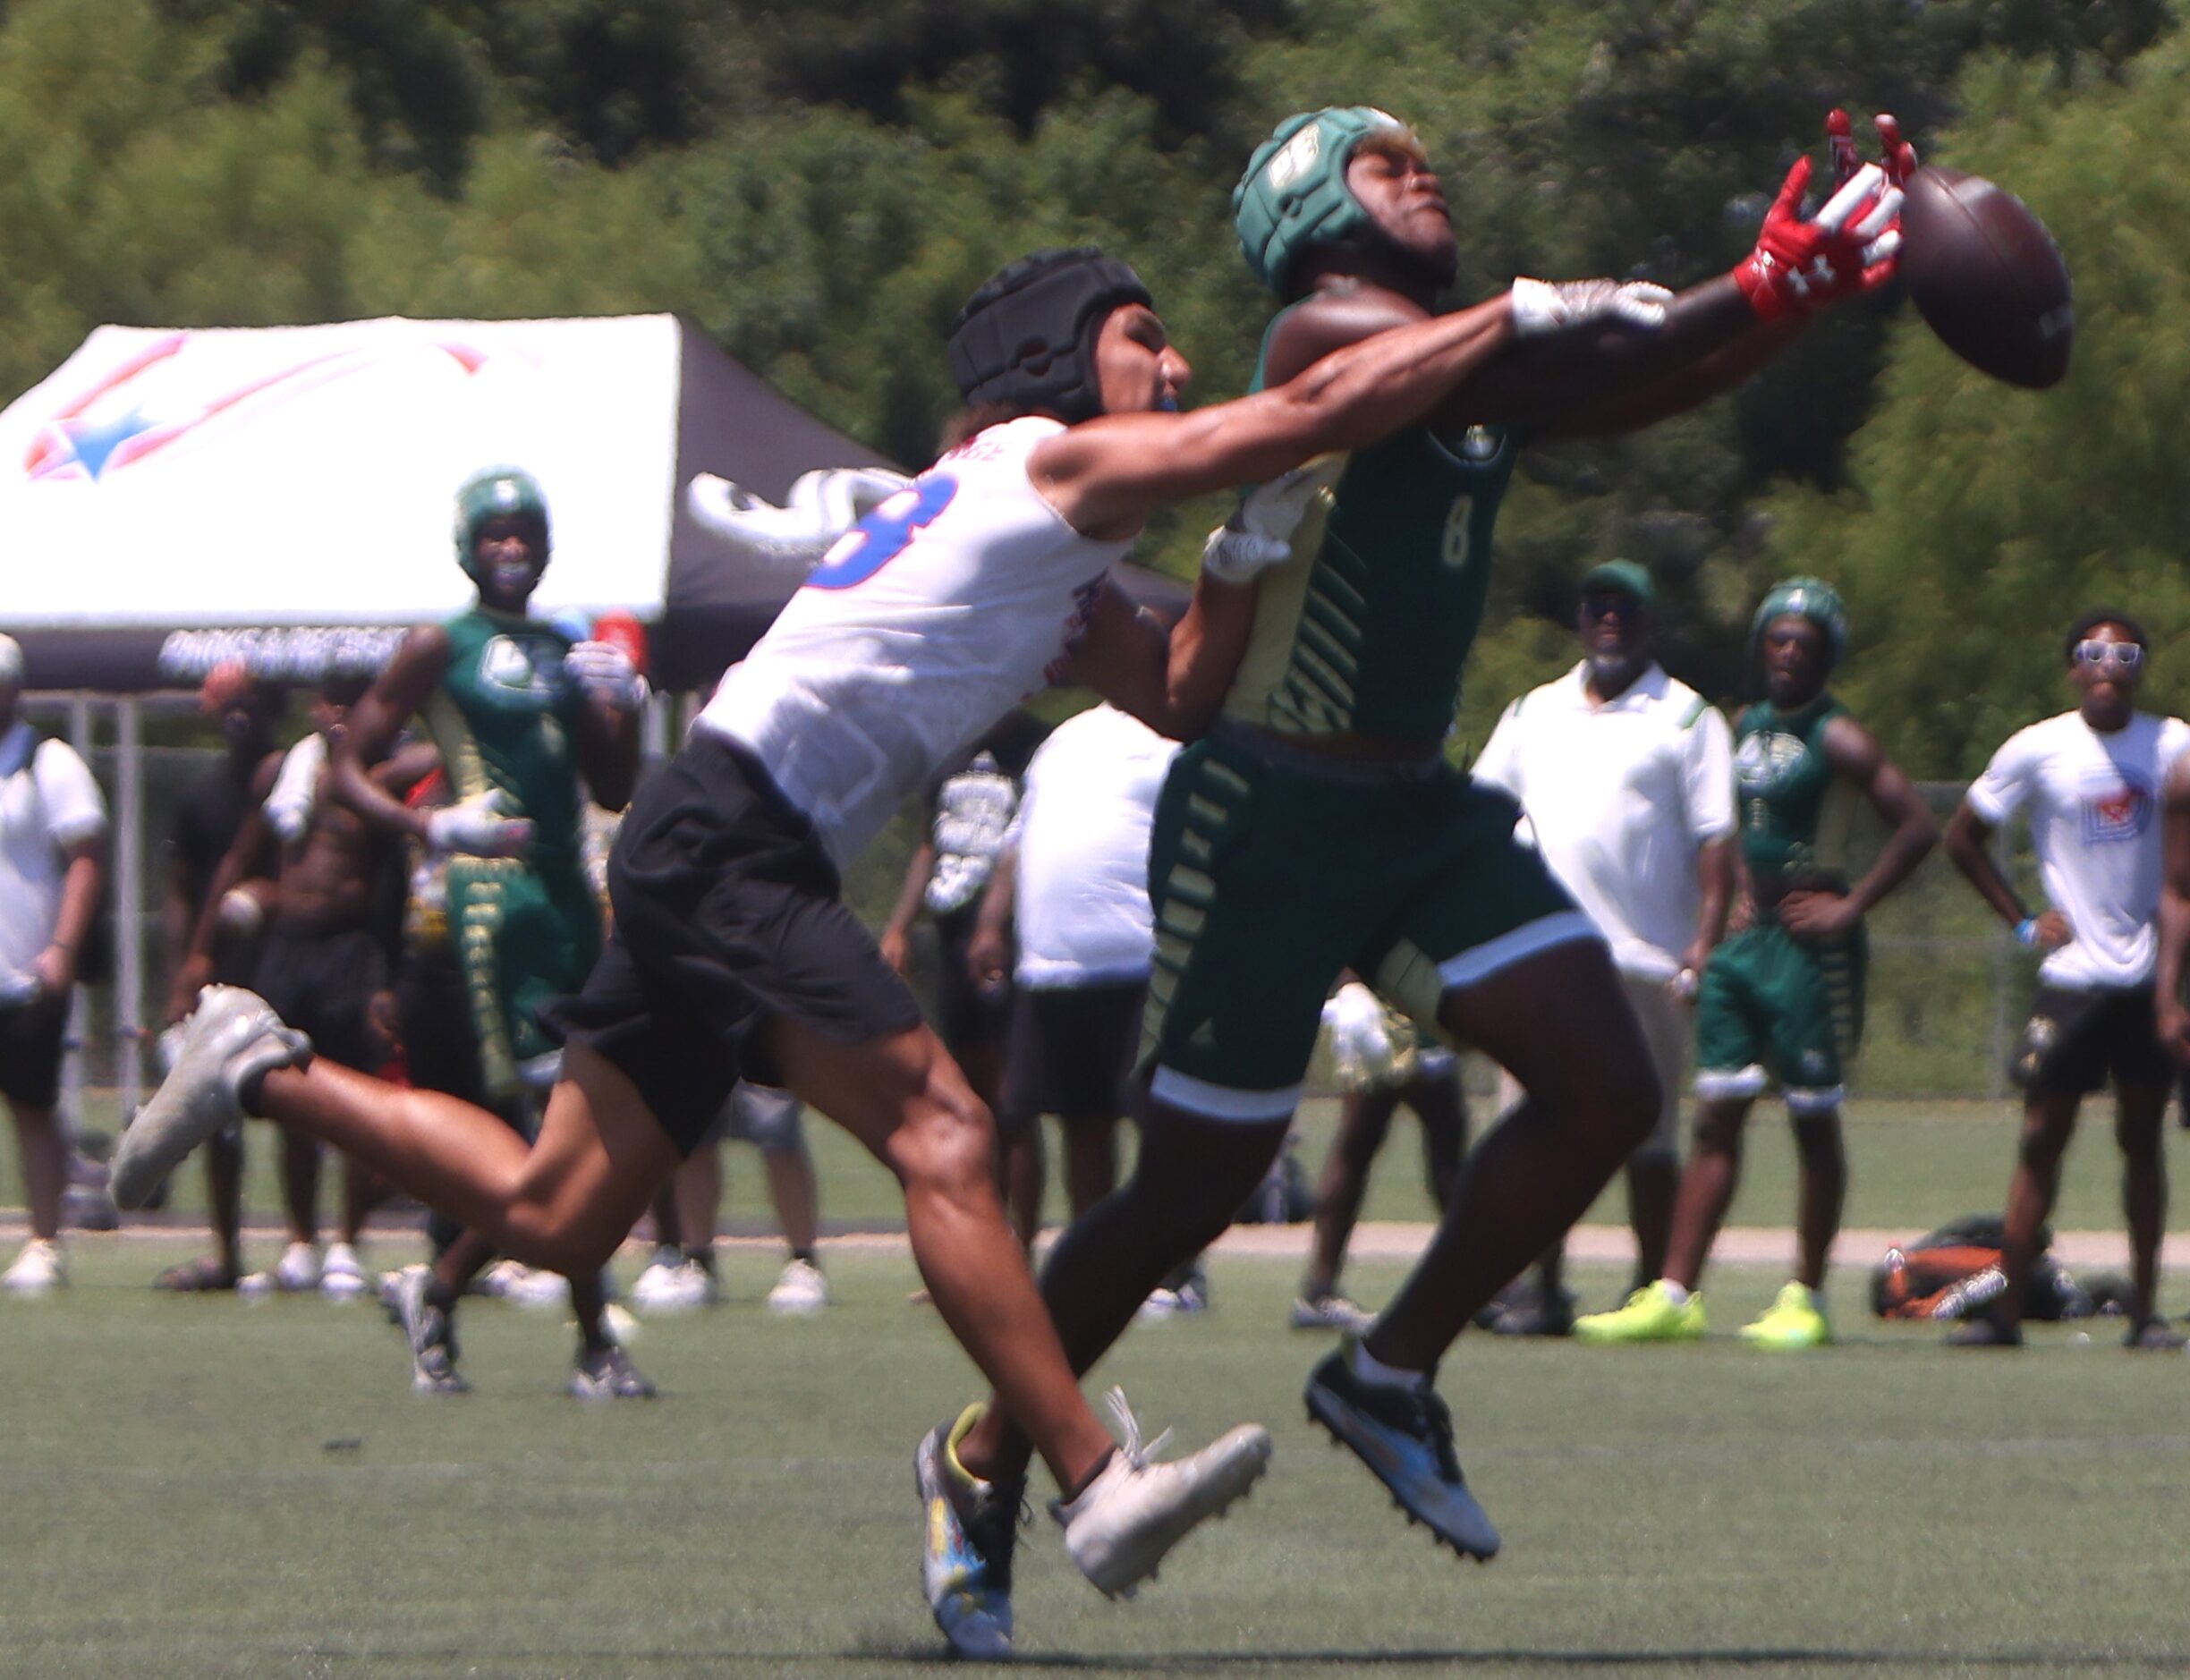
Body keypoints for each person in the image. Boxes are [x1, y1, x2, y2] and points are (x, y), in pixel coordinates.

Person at [115, 242, 1609, 1654]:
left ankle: (263, 1065)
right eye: (1140, 333)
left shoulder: (1040, 531)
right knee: (946, 1134)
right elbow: (1298, 407)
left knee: (554, 1208)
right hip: (731, 834)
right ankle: (1090, 1482)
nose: (1174, 356)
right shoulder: (1045, 459)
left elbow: (1176, 694)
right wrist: (1512, 318)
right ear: (1053, 364)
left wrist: (1235, 554)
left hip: (714, 842)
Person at [941, 105, 1908, 1607]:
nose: (1423, 171)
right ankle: (984, 1457)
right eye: (1383, 163)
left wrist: (1797, 298)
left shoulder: (1464, 360)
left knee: (1604, 1081)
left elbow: (1635, 377)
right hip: (1264, 810)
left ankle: (1385, 1371)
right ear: (1309, 208)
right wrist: (1763, 275)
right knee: (1183, 1190)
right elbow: (1568, 352)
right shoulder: (1318, 327)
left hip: (1409, 809)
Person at [327, 466, 654, 1399]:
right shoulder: (443, 642)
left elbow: (611, 788)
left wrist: (619, 706)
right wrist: (430, 826)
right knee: (557, 1124)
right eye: (494, 533)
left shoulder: (563, 644)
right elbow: (348, 768)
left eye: (526, 532)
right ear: (467, 546)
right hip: (488, 900)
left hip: (564, 892)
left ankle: (437, 1291)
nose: (511, 548)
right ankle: (592, 1341)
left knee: (578, 1128)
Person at [1576, 577, 1937, 1350]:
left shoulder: (1839, 735)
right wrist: (1738, 884)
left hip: (1811, 948)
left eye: (1806, 645)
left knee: (1811, 1120)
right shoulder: (1739, 725)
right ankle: (1676, 1291)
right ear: (1761, 647)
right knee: (1715, 1117)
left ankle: (1805, 1295)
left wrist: (1850, 904)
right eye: (1778, 639)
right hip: (1747, 944)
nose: (1789, 654)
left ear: (1826, 656)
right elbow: (1723, 819)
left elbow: (1915, 824)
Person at [1470, 558, 1736, 1332]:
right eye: (1596, 606)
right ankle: (1537, 1289)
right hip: (1543, 958)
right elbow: (1485, 813)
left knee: (1645, 1131)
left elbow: (1715, 844)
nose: (1609, 619)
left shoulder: (1688, 719)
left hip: (1645, 958)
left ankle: (1649, 1290)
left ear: (1649, 624)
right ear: (1580, 621)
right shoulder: (1532, 712)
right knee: (1537, 1128)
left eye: (1625, 607)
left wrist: (1703, 945)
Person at [1954, 613, 2188, 1350]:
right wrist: (2024, 922)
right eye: (2093, 652)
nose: (2108, 665)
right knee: (2040, 1138)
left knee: (2142, 1142)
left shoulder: (2173, 744)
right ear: (2072, 669)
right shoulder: (2040, 748)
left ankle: (2147, 1313)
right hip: (2072, 979)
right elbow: (1962, 837)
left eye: (2125, 653)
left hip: (2149, 981)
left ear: (2141, 667)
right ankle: (2005, 1310)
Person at [166, 679, 412, 1299]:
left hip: (351, 947)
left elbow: (394, 878)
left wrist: (390, 977)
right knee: (292, 1100)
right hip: (288, 948)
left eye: (351, 703)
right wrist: (200, 950)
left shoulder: (382, 775)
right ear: (315, 708)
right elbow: (238, 861)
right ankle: (301, 1241)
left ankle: (347, 1245)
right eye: (330, 702)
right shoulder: (287, 770)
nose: (338, 715)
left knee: (356, 1103)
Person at [969, 702, 1181, 1230]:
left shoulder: (1173, 739)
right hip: (1051, 967)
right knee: (1080, 1124)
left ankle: (1175, 1271)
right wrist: (991, 924)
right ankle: (1093, 1258)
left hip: (1141, 963)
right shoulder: (1062, 741)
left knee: (1158, 1125)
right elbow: (1018, 840)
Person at [154, 662, 284, 1293]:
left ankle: (309, 1247)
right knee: (217, 1114)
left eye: (250, 703)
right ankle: (228, 1252)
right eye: (227, 704)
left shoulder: (294, 782)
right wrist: (183, 968)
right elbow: (180, 889)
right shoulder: (202, 795)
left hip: (286, 960)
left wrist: (267, 897)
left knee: (302, 1110)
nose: (239, 715)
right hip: (221, 973)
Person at [880, 741, 1031, 1245]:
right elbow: (929, 846)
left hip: (1010, 937)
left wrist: (997, 923)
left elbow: (1027, 842)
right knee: (967, 1099)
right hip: (951, 931)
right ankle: (976, 1243)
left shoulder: (1031, 748)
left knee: (1013, 1103)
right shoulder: (946, 755)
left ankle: (1021, 1250)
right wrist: (900, 926)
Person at [0, 634, 108, 1295]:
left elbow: (86, 854)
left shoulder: (47, 761)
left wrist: (63, 947)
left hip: (24, 974)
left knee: (31, 1104)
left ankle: (45, 1241)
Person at [1291, 979, 1465, 1333]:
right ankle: (1488, 1280)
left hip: (1370, 1005)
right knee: (1447, 1144)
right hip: (1402, 1008)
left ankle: (1319, 1289)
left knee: (1356, 1146)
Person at [631, 1080, 831, 1315]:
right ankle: (698, 1262)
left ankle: (803, 1261)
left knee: (778, 1131)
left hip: (754, 1046)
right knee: (695, 1135)